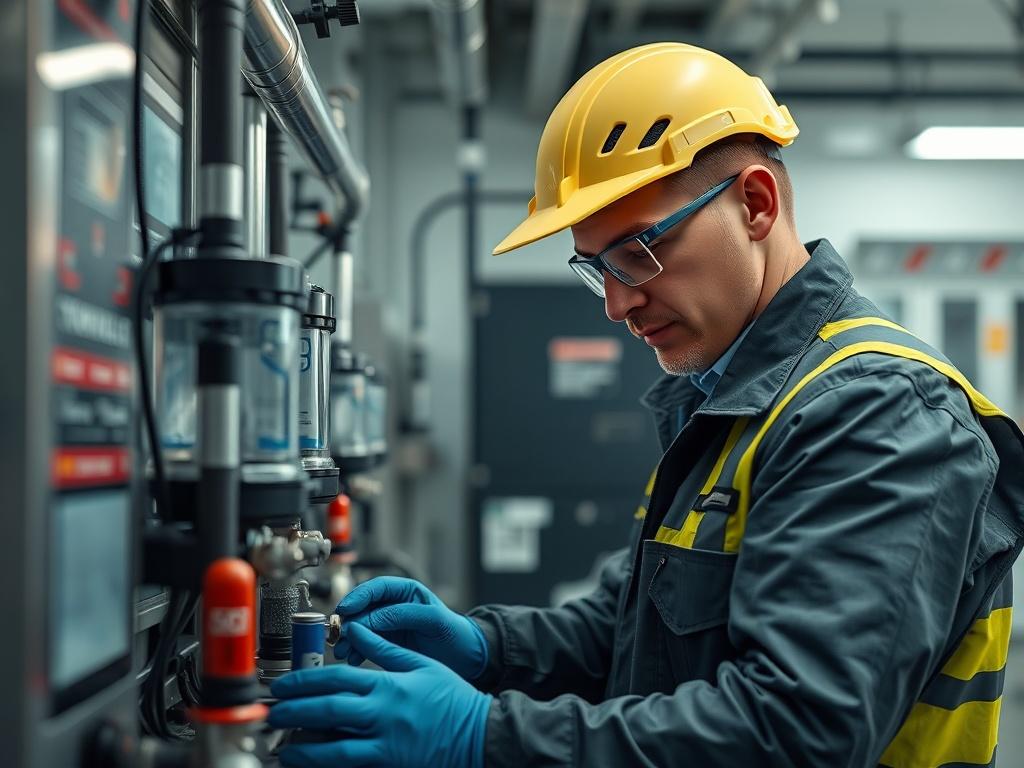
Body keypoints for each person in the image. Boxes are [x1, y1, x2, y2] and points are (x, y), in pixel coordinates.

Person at [268, 43, 1024, 768]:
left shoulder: (877, 414)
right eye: (597, 268)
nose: (619, 303)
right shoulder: (736, 401)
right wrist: (488, 649)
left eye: (639, 251)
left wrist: (482, 737)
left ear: (755, 204)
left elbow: (797, 735)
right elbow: (638, 629)